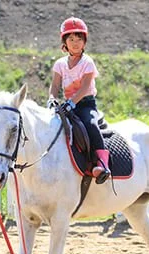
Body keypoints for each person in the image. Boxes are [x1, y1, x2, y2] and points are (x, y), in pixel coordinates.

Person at [47, 16, 110, 184]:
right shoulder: (60, 64)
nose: (75, 43)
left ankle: (102, 163)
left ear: (84, 42)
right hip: (67, 106)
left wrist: (71, 103)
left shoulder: (87, 62)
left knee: (90, 124)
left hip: (85, 103)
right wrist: (52, 99)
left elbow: (84, 88)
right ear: (64, 42)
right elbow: (55, 85)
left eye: (79, 39)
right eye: (71, 39)